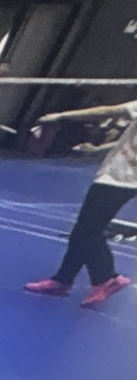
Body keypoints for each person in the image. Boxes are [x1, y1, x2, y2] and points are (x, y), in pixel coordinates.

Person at [23, 97, 137, 307]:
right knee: (83, 231)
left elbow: (108, 110)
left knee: (87, 232)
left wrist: (60, 116)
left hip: (116, 180)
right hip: (128, 181)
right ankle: (62, 280)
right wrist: (97, 150)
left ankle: (107, 277)